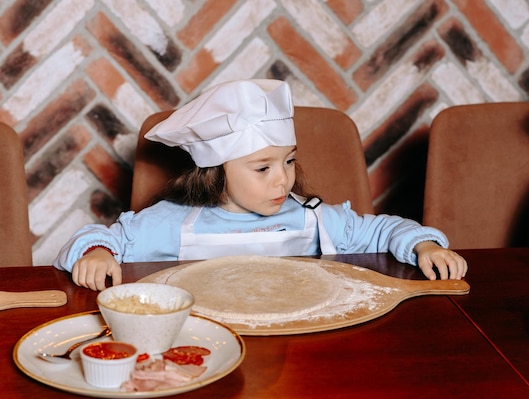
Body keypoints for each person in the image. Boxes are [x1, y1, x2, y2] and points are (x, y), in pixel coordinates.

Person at [54, 79, 468, 290]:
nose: (283, 178)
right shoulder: (172, 222)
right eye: (262, 167)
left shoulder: (313, 217)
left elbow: (382, 229)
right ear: (216, 172)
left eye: (288, 161)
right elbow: (104, 238)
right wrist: (95, 253)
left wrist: (423, 245)